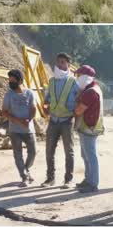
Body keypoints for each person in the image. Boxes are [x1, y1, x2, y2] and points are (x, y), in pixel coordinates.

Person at [41, 52, 80, 189]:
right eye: (58, 62)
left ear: (68, 65)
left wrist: (76, 116)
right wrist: (45, 107)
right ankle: (50, 179)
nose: (59, 64)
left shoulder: (73, 81)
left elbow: (80, 100)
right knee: (49, 150)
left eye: (63, 62)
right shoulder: (51, 81)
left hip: (67, 121)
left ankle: (68, 180)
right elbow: (46, 100)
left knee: (68, 151)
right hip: (53, 121)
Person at [1, 69, 37, 187]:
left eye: (13, 80)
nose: (11, 83)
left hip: (28, 129)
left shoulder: (30, 93)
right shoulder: (8, 95)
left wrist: (28, 119)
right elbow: (4, 112)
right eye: (9, 81)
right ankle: (24, 176)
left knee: (33, 152)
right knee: (18, 154)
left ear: (20, 80)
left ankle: (26, 169)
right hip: (14, 130)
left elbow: (33, 108)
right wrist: (18, 121)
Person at [74, 65, 104, 193]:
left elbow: (78, 110)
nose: (77, 78)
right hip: (89, 127)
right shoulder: (94, 88)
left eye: (79, 76)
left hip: (88, 128)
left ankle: (93, 183)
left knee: (90, 156)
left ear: (85, 77)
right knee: (86, 155)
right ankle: (88, 180)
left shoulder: (90, 92)